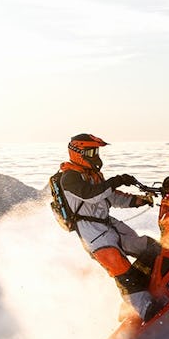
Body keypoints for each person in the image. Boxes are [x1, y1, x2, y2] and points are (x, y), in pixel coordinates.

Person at [57, 133, 162, 320]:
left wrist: (138, 200)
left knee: (148, 247)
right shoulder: (69, 178)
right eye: (90, 151)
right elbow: (90, 195)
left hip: (109, 224)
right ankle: (146, 309)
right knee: (122, 270)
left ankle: (157, 282)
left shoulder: (94, 175)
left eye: (95, 151)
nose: (95, 155)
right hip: (94, 235)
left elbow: (111, 196)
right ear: (78, 152)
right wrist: (116, 180)